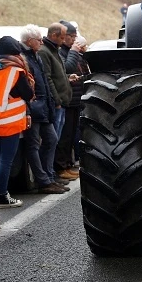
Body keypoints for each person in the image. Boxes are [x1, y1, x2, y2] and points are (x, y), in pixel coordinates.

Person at [0, 36, 34, 208]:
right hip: (9, 121)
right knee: (6, 161)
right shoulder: (15, 71)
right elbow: (27, 94)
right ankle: (1, 195)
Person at [20, 25, 66, 194]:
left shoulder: (35, 56)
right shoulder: (25, 57)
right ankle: (43, 181)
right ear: (29, 41)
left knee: (51, 139)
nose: (41, 42)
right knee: (32, 145)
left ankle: (48, 176)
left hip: (43, 107)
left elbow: (43, 81)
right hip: (35, 108)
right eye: (39, 40)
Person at [40, 23, 73, 179]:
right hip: (57, 103)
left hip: (62, 102)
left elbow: (57, 75)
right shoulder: (45, 52)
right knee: (53, 141)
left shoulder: (54, 50)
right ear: (53, 35)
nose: (63, 40)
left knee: (57, 140)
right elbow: (47, 77)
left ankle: (52, 173)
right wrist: (57, 99)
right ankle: (51, 173)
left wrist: (67, 79)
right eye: (61, 37)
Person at [56, 20, 89, 178]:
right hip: (66, 101)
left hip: (74, 99)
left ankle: (67, 164)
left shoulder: (71, 51)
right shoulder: (61, 52)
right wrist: (75, 50)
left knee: (70, 136)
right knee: (64, 136)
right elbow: (67, 68)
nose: (74, 40)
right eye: (72, 37)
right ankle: (61, 166)